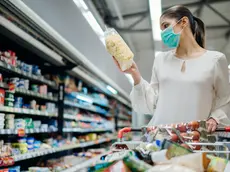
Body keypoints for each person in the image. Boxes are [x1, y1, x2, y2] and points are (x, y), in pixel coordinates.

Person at [113, 5, 230, 132]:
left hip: (196, 138)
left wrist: (215, 118)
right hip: (161, 137)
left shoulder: (215, 60)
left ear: (184, 22)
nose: (163, 33)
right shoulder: (161, 59)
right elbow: (152, 103)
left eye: (165, 26)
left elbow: (224, 99)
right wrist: (135, 75)